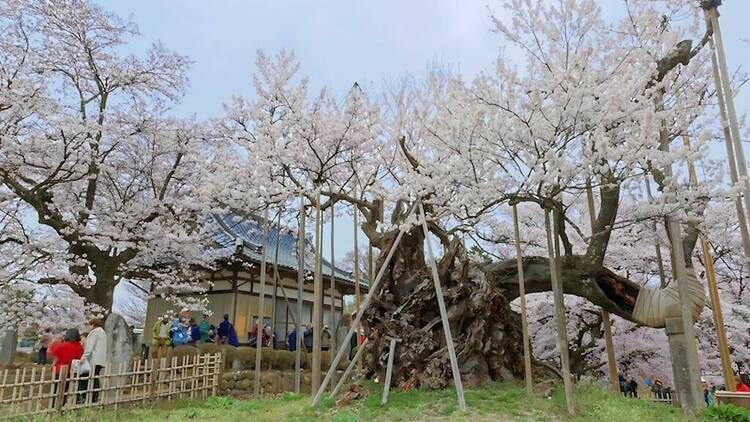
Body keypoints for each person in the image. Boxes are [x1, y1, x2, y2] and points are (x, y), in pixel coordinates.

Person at [48, 329, 84, 406]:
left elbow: (51, 352)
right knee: (65, 390)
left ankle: (54, 405)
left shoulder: (63, 345)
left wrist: (55, 341)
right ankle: (62, 404)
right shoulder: (80, 347)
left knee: (56, 390)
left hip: (60, 369)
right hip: (71, 370)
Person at [80, 318, 107, 403]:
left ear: (93, 325)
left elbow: (89, 347)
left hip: (94, 359)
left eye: (90, 325)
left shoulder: (94, 332)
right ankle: (95, 396)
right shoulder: (102, 332)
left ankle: (90, 397)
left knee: (92, 378)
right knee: (96, 377)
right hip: (101, 359)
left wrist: (84, 356)